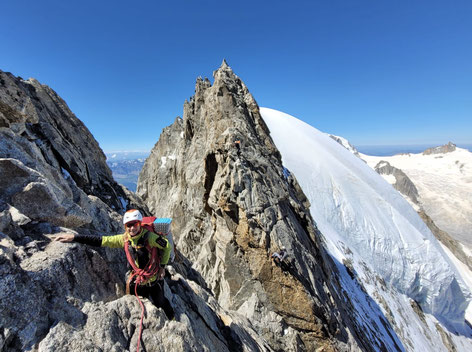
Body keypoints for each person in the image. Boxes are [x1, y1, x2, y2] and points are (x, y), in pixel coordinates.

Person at [55, 209, 175, 320]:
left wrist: (162, 267)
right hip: (138, 278)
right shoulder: (124, 239)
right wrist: (75, 238)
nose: (132, 228)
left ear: (139, 224)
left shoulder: (151, 237)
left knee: (161, 302)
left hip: (154, 278)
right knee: (136, 303)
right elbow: (102, 240)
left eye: (135, 224)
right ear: (125, 227)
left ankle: (172, 319)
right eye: (129, 225)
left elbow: (167, 247)